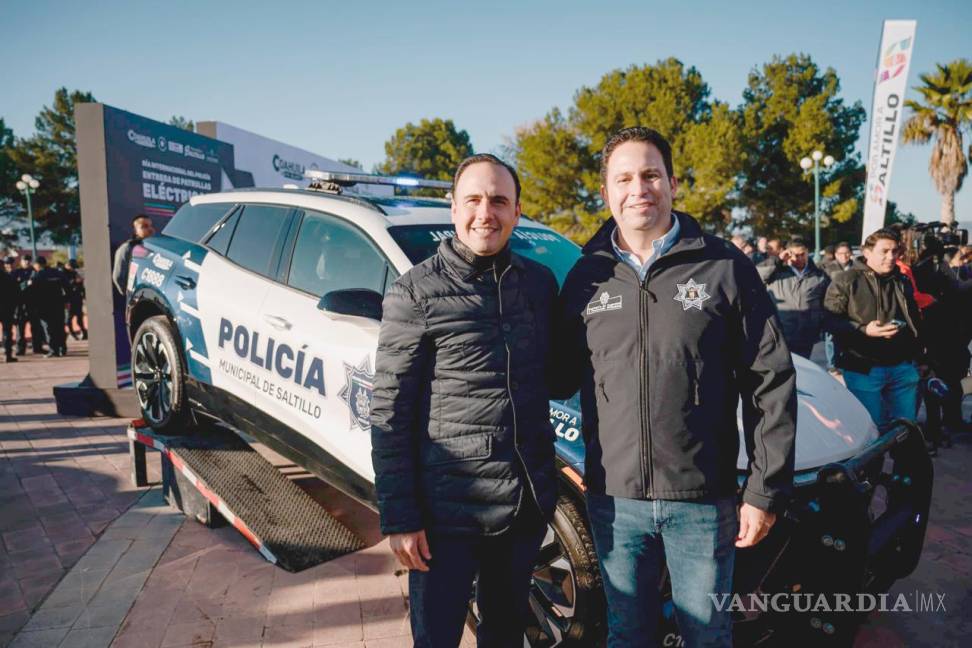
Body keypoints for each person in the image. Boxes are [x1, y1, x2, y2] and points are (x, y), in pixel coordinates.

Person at [554, 127, 797, 647]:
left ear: (672, 182)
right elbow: (554, 377)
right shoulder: (585, 278)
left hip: (703, 501)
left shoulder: (724, 267)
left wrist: (764, 489)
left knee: (708, 636)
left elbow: (770, 379)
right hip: (615, 504)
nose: (638, 188)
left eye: (650, 175)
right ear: (606, 193)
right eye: (624, 178)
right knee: (627, 635)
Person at [370, 154, 558, 647]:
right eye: (473, 199)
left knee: (505, 635)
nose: (485, 213)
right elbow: (389, 411)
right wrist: (401, 517)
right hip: (444, 516)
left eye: (499, 200)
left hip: (522, 507)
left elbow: (558, 375)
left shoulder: (538, 284)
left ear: (517, 211)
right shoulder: (416, 292)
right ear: (453, 209)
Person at [823, 228, 924, 432]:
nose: (891, 257)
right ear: (867, 252)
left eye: (895, 251)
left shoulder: (902, 281)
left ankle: (904, 464)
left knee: (905, 431)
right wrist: (863, 329)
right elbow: (828, 320)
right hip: (863, 368)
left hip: (902, 368)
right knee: (871, 432)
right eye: (884, 251)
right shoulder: (846, 280)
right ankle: (872, 464)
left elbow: (914, 321)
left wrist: (920, 357)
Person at [756, 236, 830, 359]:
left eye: (803, 254)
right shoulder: (776, 272)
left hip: (806, 334)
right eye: (795, 255)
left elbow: (825, 302)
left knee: (802, 371)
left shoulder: (819, 276)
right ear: (788, 253)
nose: (799, 258)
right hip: (780, 333)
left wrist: (819, 324)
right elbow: (757, 274)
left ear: (807, 252)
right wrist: (778, 259)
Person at [822, 242, 855, 372]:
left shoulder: (856, 267)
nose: (844, 256)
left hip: (852, 307)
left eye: (847, 253)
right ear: (836, 255)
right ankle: (832, 364)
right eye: (841, 253)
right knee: (830, 338)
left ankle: (844, 362)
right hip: (833, 306)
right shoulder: (827, 268)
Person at [28, 256, 69, 357]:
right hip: (58, 304)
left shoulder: (37, 275)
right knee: (60, 327)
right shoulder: (57, 272)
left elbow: (32, 291)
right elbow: (67, 287)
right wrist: (65, 300)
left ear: (37, 265)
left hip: (44, 306)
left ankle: (53, 350)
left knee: (49, 329)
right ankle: (62, 349)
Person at [112, 214, 155, 295]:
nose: (150, 229)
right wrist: (130, 294)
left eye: (151, 226)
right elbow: (118, 277)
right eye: (144, 226)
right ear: (135, 231)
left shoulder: (154, 249)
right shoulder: (127, 248)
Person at [12, 254, 45, 355]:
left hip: (33, 304)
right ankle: (20, 349)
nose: (27, 262)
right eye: (25, 260)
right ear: (21, 261)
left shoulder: (35, 271)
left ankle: (37, 348)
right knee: (20, 328)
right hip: (20, 305)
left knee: (36, 327)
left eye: (28, 260)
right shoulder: (16, 272)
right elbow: (13, 288)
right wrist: (26, 284)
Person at [64, 259, 87, 340]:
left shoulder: (74, 272)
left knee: (79, 316)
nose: (74, 269)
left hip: (77, 297)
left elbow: (81, 286)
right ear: (68, 265)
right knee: (69, 318)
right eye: (72, 267)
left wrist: (84, 295)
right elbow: (64, 286)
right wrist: (74, 281)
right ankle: (72, 333)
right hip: (68, 299)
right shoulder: (62, 273)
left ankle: (84, 332)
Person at [1, 259, 18, 362]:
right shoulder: (8, 277)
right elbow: (16, 293)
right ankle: (7, 355)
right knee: (7, 331)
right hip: (7, 308)